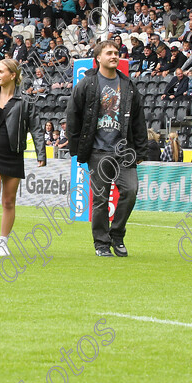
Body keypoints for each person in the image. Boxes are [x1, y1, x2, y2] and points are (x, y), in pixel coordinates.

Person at [66, 40, 148, 257]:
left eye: (116, 53)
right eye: (109, 53)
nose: (114, 56)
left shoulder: (128, 86)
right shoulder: (86, 84)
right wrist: (76, 149)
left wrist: (140, 151)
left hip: (124, 151)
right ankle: (101, 243)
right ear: (98, 58)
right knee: (100, 199)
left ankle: (117, 234)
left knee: (130, 191)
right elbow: (73, 115)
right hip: (97, 151)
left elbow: (139, 120)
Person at [0, 58, 46, 256]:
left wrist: (41, 153)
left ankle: (4, 242)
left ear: (13, 75)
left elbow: (36, 128)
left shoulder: (26, 100)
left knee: (9, 201)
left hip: (14, 153)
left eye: (2, 72)